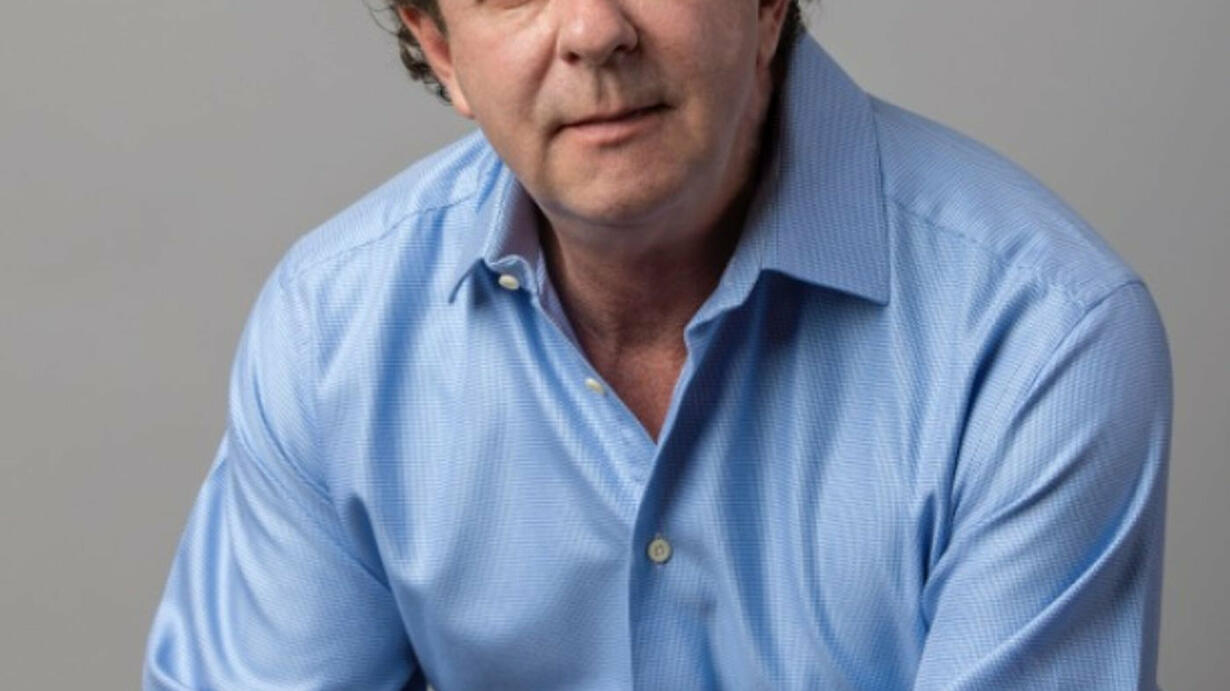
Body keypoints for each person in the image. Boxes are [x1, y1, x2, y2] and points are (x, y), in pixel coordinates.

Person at [143, 0, 1172, 687]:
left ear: (765, 5)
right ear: (443, 48)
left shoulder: (1038, 335)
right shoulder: (333, 331)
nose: (594, 30)